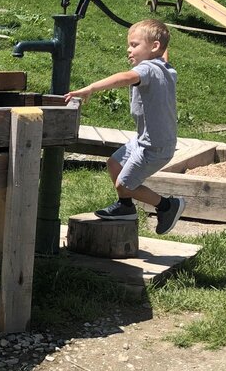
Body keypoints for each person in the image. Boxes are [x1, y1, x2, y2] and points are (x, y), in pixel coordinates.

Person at [63, 19, 186, 235]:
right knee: (114, 163)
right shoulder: (165, 67)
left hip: (153, 147)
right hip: (145, 140)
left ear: (154, 47)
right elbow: (164, 53)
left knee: (124, 185)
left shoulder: (147, 69)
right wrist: (161, 35)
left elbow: (125, 77)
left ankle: (167, 206)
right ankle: (126, 207)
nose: (129, 50)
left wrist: (91, 88)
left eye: (135, 45)